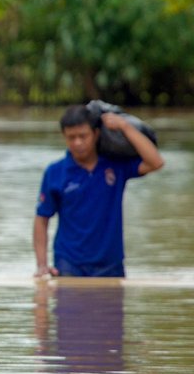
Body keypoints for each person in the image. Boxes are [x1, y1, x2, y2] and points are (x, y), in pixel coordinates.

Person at [34, 105, 164, 278]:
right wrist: (42, 265)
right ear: (64, 137)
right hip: (69, 264)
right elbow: (41, 219)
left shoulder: (115, 166)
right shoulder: (55, 172)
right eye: (71, 137)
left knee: (110, 306)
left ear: (95, 134)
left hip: (110, 263)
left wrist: (124, 126)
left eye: (83, 136)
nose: (77, 143)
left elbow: (156, 162)